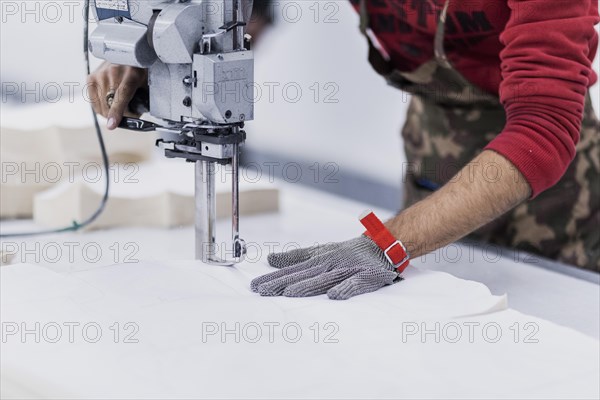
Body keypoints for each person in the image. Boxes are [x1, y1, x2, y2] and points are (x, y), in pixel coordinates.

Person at [88, 0, 600, 299]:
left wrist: (389, 241)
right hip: (433, 148)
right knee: (429, 316)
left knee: (548, 319)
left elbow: (544, 128)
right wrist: (164, 55)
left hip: (554, 193)